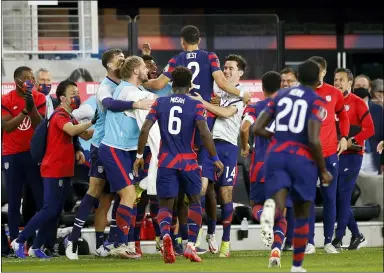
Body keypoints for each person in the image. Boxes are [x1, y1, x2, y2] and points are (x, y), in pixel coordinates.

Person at [65, 49, 154, 260]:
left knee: (113, 197)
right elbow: (109, 105)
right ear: (109, 66)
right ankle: (75, 240)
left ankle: (107, 244)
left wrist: (145, 61)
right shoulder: (105, 88)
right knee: (97, 194)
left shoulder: (127, 85)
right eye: (119, 60)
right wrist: (136, 104)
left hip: (121, 147)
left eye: (124, 59)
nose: (122, 61)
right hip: (102, 146)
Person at [134, 66, 224, 263]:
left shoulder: (160, 103)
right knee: (194, 202)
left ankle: (166, 235)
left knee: (166, 203)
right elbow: (204, 132)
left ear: (172, 83)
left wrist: (140, 155)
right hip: (188, 162)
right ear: (190, 83)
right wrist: (215, 158)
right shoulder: (196, 105)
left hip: (166, 161)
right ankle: (191, 246)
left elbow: (145, 130)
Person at [254, 60, 332, 272]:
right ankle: (297, 266)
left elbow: (257, 128)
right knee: (301, 210)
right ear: (318, 79)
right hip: (301, 159)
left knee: (279, 199)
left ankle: (270, 210)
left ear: (297, 75)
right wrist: (323, 169)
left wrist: (278, 137)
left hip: (276, 154)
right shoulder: (316, 101)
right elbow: (314, 139)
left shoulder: (279, 96)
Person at [11, 80, 97, 258]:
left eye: (77, 92)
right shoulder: (59, 115)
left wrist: (103, 125)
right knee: (49, 209)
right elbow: (72, 131)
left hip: (64, 170)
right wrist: (92, 121)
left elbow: (86, 134)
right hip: (53, 169)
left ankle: (36, 247)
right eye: (73, 93)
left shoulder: (69, 116)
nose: (77, 96)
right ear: (63, 98)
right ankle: (19, 240)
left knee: (55, 211)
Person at [191, 54, 246, 257]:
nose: (227, 71)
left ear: (240, 72)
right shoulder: (216, 88)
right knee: (201, 189)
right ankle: (196, 237)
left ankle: (226, 241)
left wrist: (203, 103)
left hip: (229, 147)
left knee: (226, 195)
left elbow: (225, 113)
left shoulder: (242, 94)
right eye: (225, 67)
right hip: (210, 144)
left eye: (231, 68)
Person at [240, 71, 293, 266]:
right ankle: (276, 250)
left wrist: (245, 146)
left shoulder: (255, 107)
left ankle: (263, 217)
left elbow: (245, 128)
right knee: (282, 214)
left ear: (262, 88)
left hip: (260, 166)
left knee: (256, 205)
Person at [306, 56, 350, 254]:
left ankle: (328, 242)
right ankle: (309, 242)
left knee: (330, 198)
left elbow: (343, 115)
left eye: (318, 71)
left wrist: (344, 137)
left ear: (324, 72)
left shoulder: (334, 93)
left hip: (330, 153)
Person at [2, 66, 46, 248]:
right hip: (11, 155)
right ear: (17, 81)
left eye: (32, 78)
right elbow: (7, 127)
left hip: (33, 154)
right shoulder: (6, 99)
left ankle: (37, 243)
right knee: (13, 200)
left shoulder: (39, 98)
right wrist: (24, 112)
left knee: (39, 199)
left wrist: (32, 107)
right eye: (26, 78)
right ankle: (14, 242)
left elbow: (40, 125)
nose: (30, 82)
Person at [332, 68, 374, 250]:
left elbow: (370, 129)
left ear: (350, 83)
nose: (337, 83)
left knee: (343, 195)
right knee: (336, 196)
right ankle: (357, 235)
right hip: (334, 155)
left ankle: (338, 238)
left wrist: (352, 141)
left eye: (341, 80)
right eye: (335, 80)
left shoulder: (358, 103)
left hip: (353, 155)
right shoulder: (331, 102)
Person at [353, 75, 384, 175]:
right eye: (358, 86)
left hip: (373, 159)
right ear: (353, 88)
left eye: (364, 86)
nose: (361, 88)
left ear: (369, 89)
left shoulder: (378, 110)